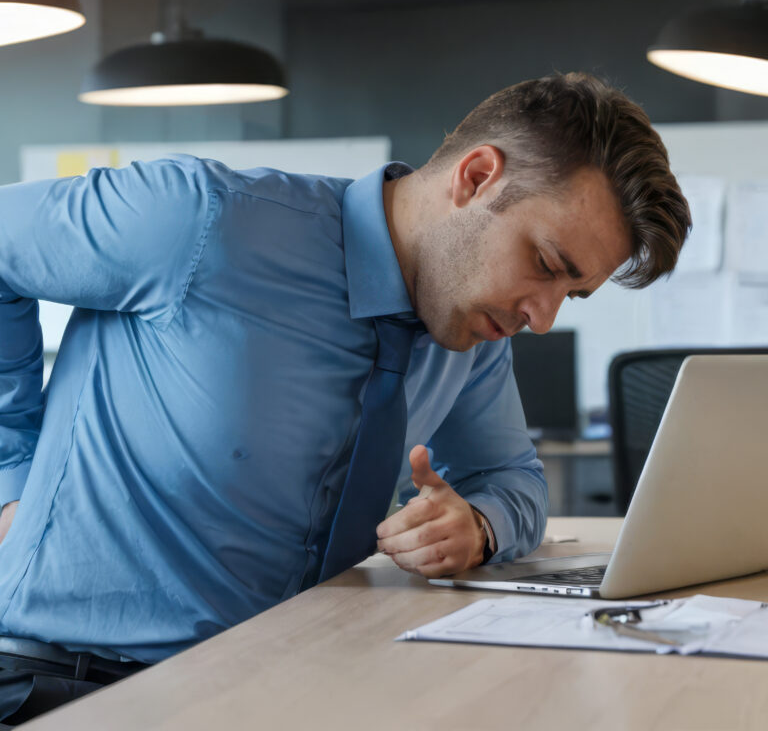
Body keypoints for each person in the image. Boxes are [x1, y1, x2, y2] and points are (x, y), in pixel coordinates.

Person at [0, 72, 690, 721]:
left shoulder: (472, 334)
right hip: (81, 684)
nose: (542, 317)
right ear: (477, 179)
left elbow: (512, 480)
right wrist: (14, 470)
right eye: (544, 265)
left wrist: (477, 526)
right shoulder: (200, 222)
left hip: (288, 686)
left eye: (570, 295)